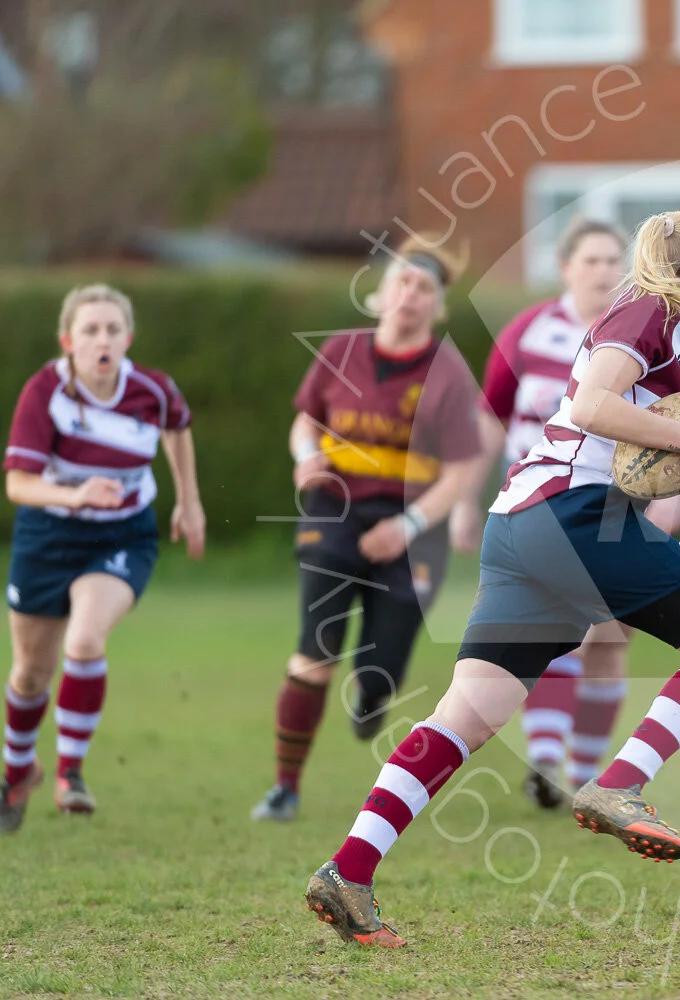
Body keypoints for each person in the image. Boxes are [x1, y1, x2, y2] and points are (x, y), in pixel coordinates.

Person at [301, 210, 680, 947]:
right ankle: (621, 781)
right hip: (577, 516)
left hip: (523, 525)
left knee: (467, 717)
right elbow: (594, 405)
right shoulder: (647, 312)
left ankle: (348, 871)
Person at [249, 236, 486, 823]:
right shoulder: (341, 350)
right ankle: (284, 789)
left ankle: (373, 695)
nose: (410, 294)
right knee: (315, 651)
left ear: (437, 306)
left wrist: (407, 525)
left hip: (414, 529)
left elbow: (461, 472)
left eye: (424, 288)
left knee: (380, 669)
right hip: (335, 512)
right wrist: (305, 455)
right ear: (381, 293)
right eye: (403, 281)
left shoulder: (447, 373)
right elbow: (305, 421)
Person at [457, 216, 680, 810]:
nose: (605, 271)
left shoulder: (644, 333)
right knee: (568, 637)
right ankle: (547, 757)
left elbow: (678, 424)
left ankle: (582, 774)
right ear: (565, 268)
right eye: (592, 260)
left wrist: (672, 498)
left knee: (608, 643)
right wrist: (464, 499)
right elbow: (490, 420)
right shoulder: (528, 332)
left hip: (625, 508)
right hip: (547, 507)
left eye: (615, 260)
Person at [2, 284, 205, 832]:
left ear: (128, 338)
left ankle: (69, 773)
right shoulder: (45, 392)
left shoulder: (152, 390)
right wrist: (76, 496)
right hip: (48, 535)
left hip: (122, 536)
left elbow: (177, 428)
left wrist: (189, 501)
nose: (102, 340)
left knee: (86, 639)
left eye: (113, 329)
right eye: (90, 330)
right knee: (29, 673)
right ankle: (18, 771)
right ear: (68, 340)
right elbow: (19, 485)